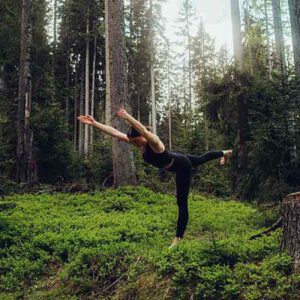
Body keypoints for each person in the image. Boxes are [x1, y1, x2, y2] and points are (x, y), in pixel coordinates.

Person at [78, 107, 233, 249]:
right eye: (133, 142)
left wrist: (128, 117)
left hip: (181, 166)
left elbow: (144, 131)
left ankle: (177, 239)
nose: (135, 144)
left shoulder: (154, 142)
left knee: (181, 201)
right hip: (176, 157)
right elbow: (115, 133)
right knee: (200, 158)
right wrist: (94, 123)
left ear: (143, 137)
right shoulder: (139, 142)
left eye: (136, 141)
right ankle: (225, 152)